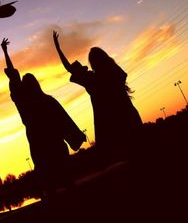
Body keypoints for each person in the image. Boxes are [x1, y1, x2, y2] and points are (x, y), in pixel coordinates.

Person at [1, 38, 86, 200]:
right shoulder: (46, 100)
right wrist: (75, 136)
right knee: (66, 178)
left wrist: (5, 52)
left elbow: (13, 76)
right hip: (54, 143)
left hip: (39, 144)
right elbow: (64, 119)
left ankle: (54, 201)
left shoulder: (24, 103)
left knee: (48, 181)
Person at [53, 31, 142, 164]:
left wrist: (58, 49)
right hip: (128, 116)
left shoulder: (91, 79)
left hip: (108, 124)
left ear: (92, 63)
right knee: (139, 152)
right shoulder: (115, 73)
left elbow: (69, 68)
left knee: (123, 158)